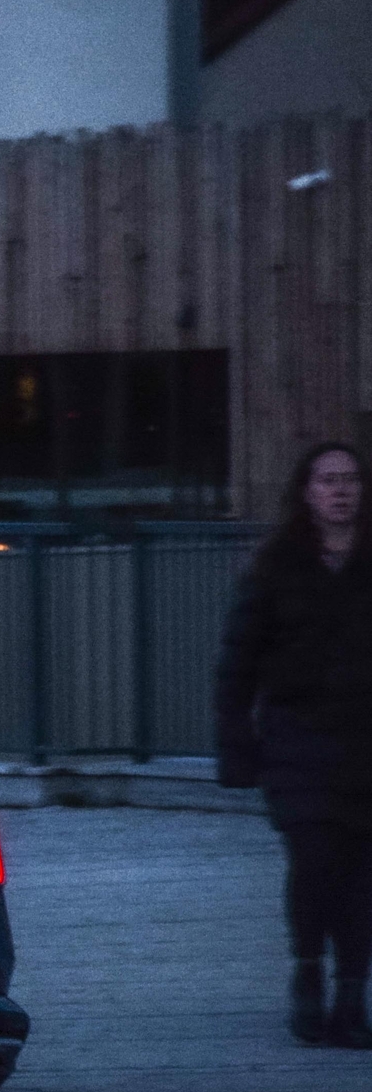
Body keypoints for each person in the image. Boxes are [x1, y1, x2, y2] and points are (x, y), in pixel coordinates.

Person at [216, 441, 372, 1048]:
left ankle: (352, 993)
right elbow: (239, 663)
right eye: (328, 480)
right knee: (314, 861)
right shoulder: (275, 568)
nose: (341, 491)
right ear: (307, 492)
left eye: (350, 479)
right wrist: (236, 745)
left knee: (360, 875)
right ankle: (308, 972)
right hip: (298, 742)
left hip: (364, 743)